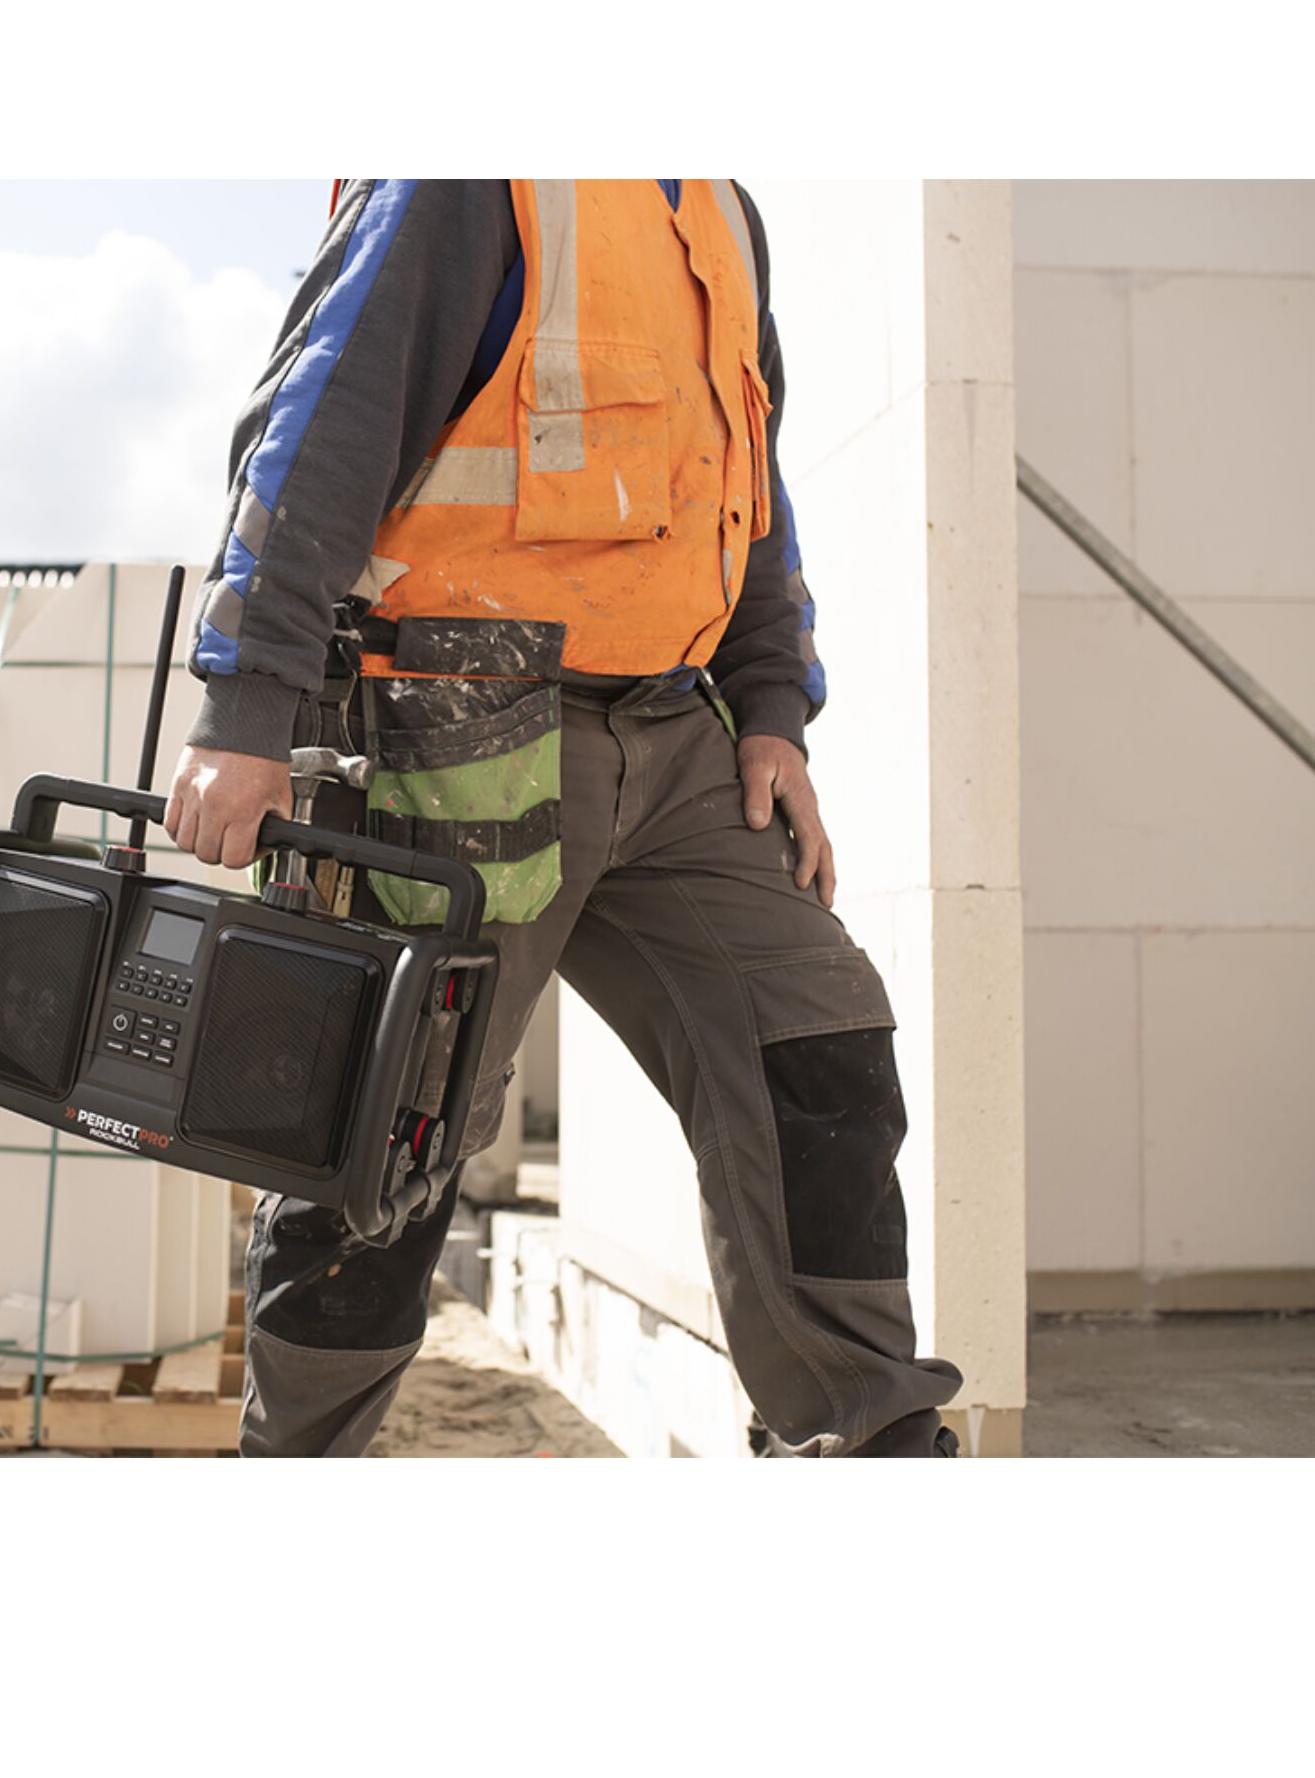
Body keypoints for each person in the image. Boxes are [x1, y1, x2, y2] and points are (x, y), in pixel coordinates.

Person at [164, 180, 963, 1457]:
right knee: (389, 1123)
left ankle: (868, 1446)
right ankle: (299, 1460)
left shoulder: (721, 210)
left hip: (680, 730)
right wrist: (247, 705)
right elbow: (325, 424)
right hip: (455, 716)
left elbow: (743, 485)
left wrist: (772, 709)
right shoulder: (470, 177)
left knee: (818, 1044)